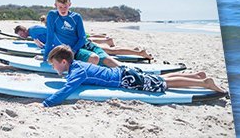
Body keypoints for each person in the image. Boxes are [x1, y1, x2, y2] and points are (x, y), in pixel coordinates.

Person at [41, 45, 226, 107]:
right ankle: (196, 76)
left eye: (53, 64)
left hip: (125, 79)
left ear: (63, 62)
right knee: (160, 81)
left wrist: (47, 103)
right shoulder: (78, 66)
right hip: (124, 73)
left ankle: (204, 82)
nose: (53, 67)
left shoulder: (77, 71)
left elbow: (67, 89)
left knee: (163, 84)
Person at [42, 0, 122, 68]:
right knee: (94, 58)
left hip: (82, 45)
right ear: (55, 5)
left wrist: (73, 51)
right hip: (69, 51)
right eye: (60, 7)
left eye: (65, 7)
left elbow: (82, 37)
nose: (63, 9)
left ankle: (126, 71)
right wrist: (45, 57)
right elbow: (50, 37)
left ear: (69, 5)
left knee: (108, 60)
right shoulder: (52, 15)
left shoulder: (76, 17)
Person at [14, 25, 153, 60]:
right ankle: (136, 51)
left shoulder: (33, 31)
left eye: (20, 34)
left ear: (23, 30)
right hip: (74, 42)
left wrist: (44, 52)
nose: (22, 36)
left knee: (110, 51)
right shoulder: (34, 33)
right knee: (109, 50)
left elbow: (50, 32)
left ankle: (140, 53)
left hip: (76, 43)